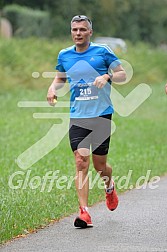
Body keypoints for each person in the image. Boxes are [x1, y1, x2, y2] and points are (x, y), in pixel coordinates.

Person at [47, 15, 126, 228]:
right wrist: (52, 88)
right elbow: (60, 77)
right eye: (75, 30)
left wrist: (107, 77)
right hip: (78, 116)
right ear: (71, 32)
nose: (78, 33)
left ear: (90, 32)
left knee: (100, 166)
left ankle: (109, 187)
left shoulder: (103, 52)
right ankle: (84, 212)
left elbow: (122, 74)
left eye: (82, 29)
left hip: (101, 114)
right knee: (81, 161)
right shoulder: (64, 55)